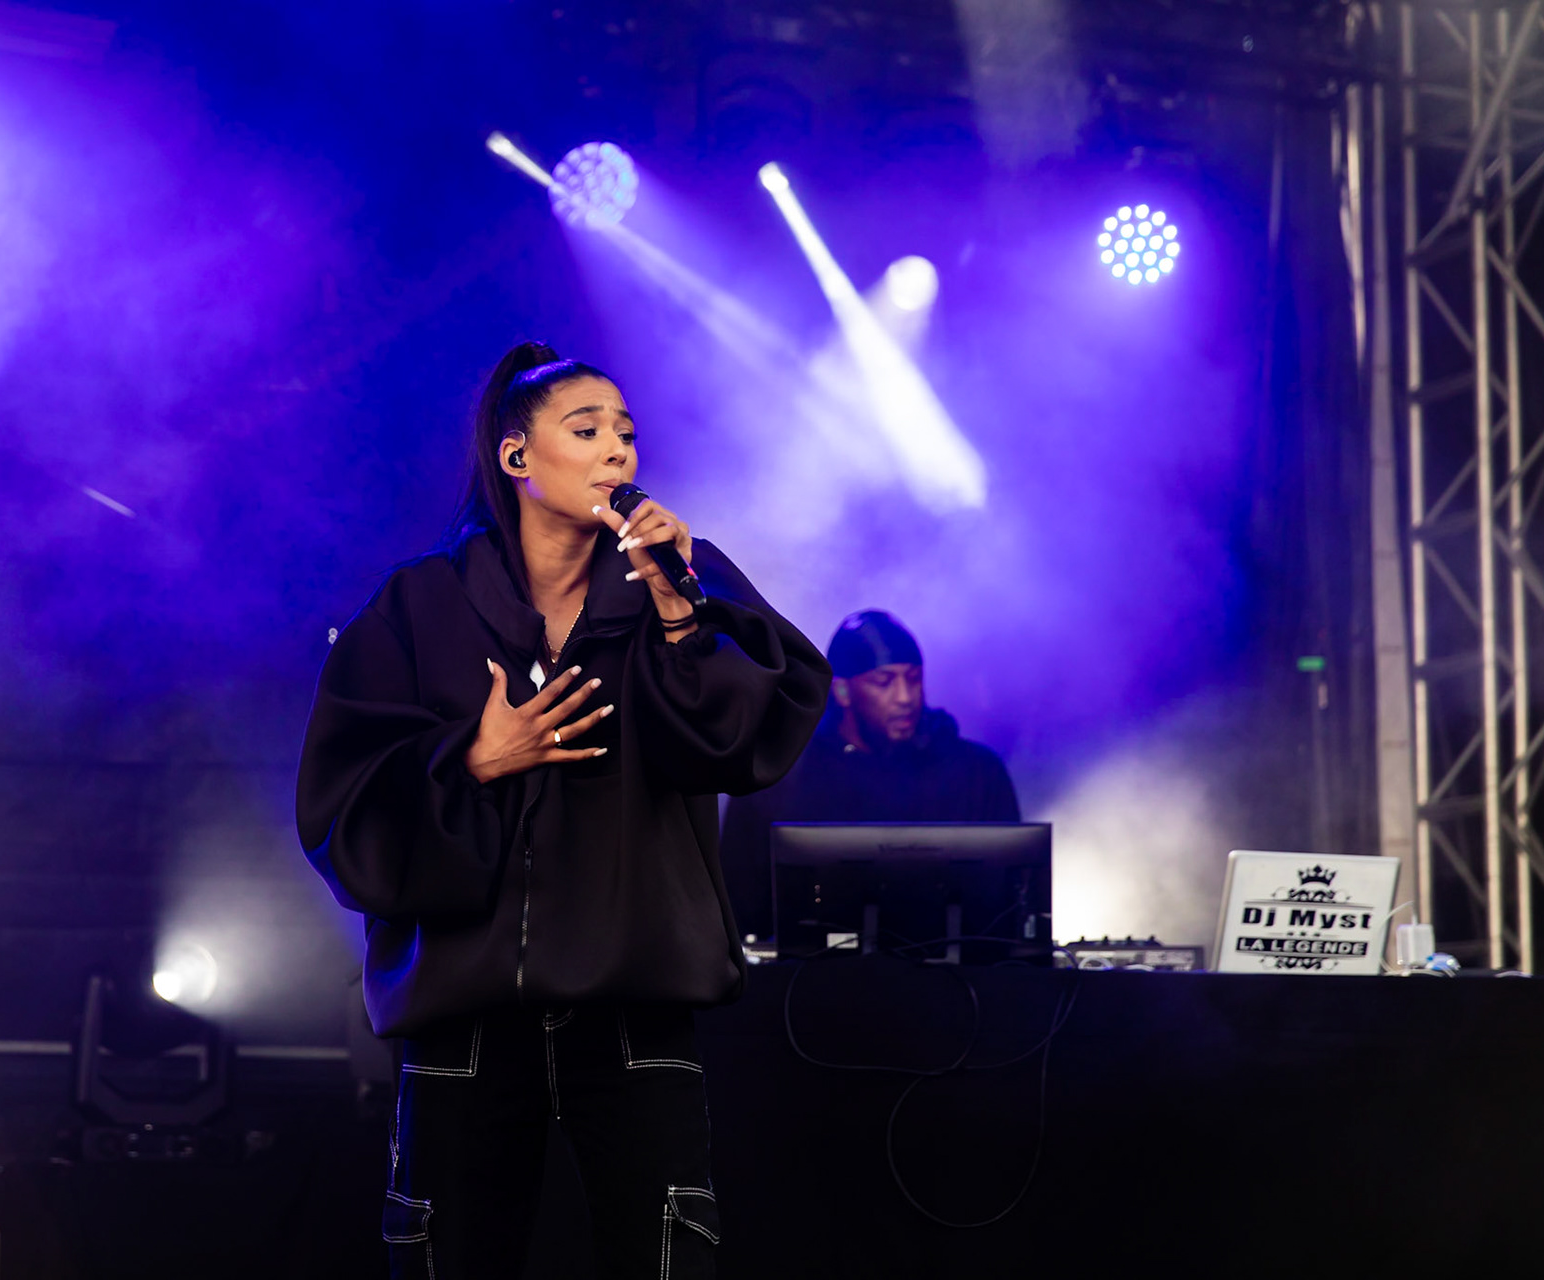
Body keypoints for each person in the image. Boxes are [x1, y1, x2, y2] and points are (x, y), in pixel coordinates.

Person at [295, 341, 829, 1279]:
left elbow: (748, 740)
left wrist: (678, 615)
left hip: (634, 1004)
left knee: (665, 1256)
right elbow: (342, 804)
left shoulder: (681, 581)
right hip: (465, 1010)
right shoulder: (420, 605)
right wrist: (473, 759)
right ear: (517, 456)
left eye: (626, 433)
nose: (617, 450)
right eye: (587, 431)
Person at [720, 609, 1020, 940]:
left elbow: (1013, 899)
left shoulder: (976, 772)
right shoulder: (781, 774)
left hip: (955, 967)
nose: (905, 697)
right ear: (843, 692)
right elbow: (739, 903)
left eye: (914, 679)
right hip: (813, 970)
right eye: (884, 682)